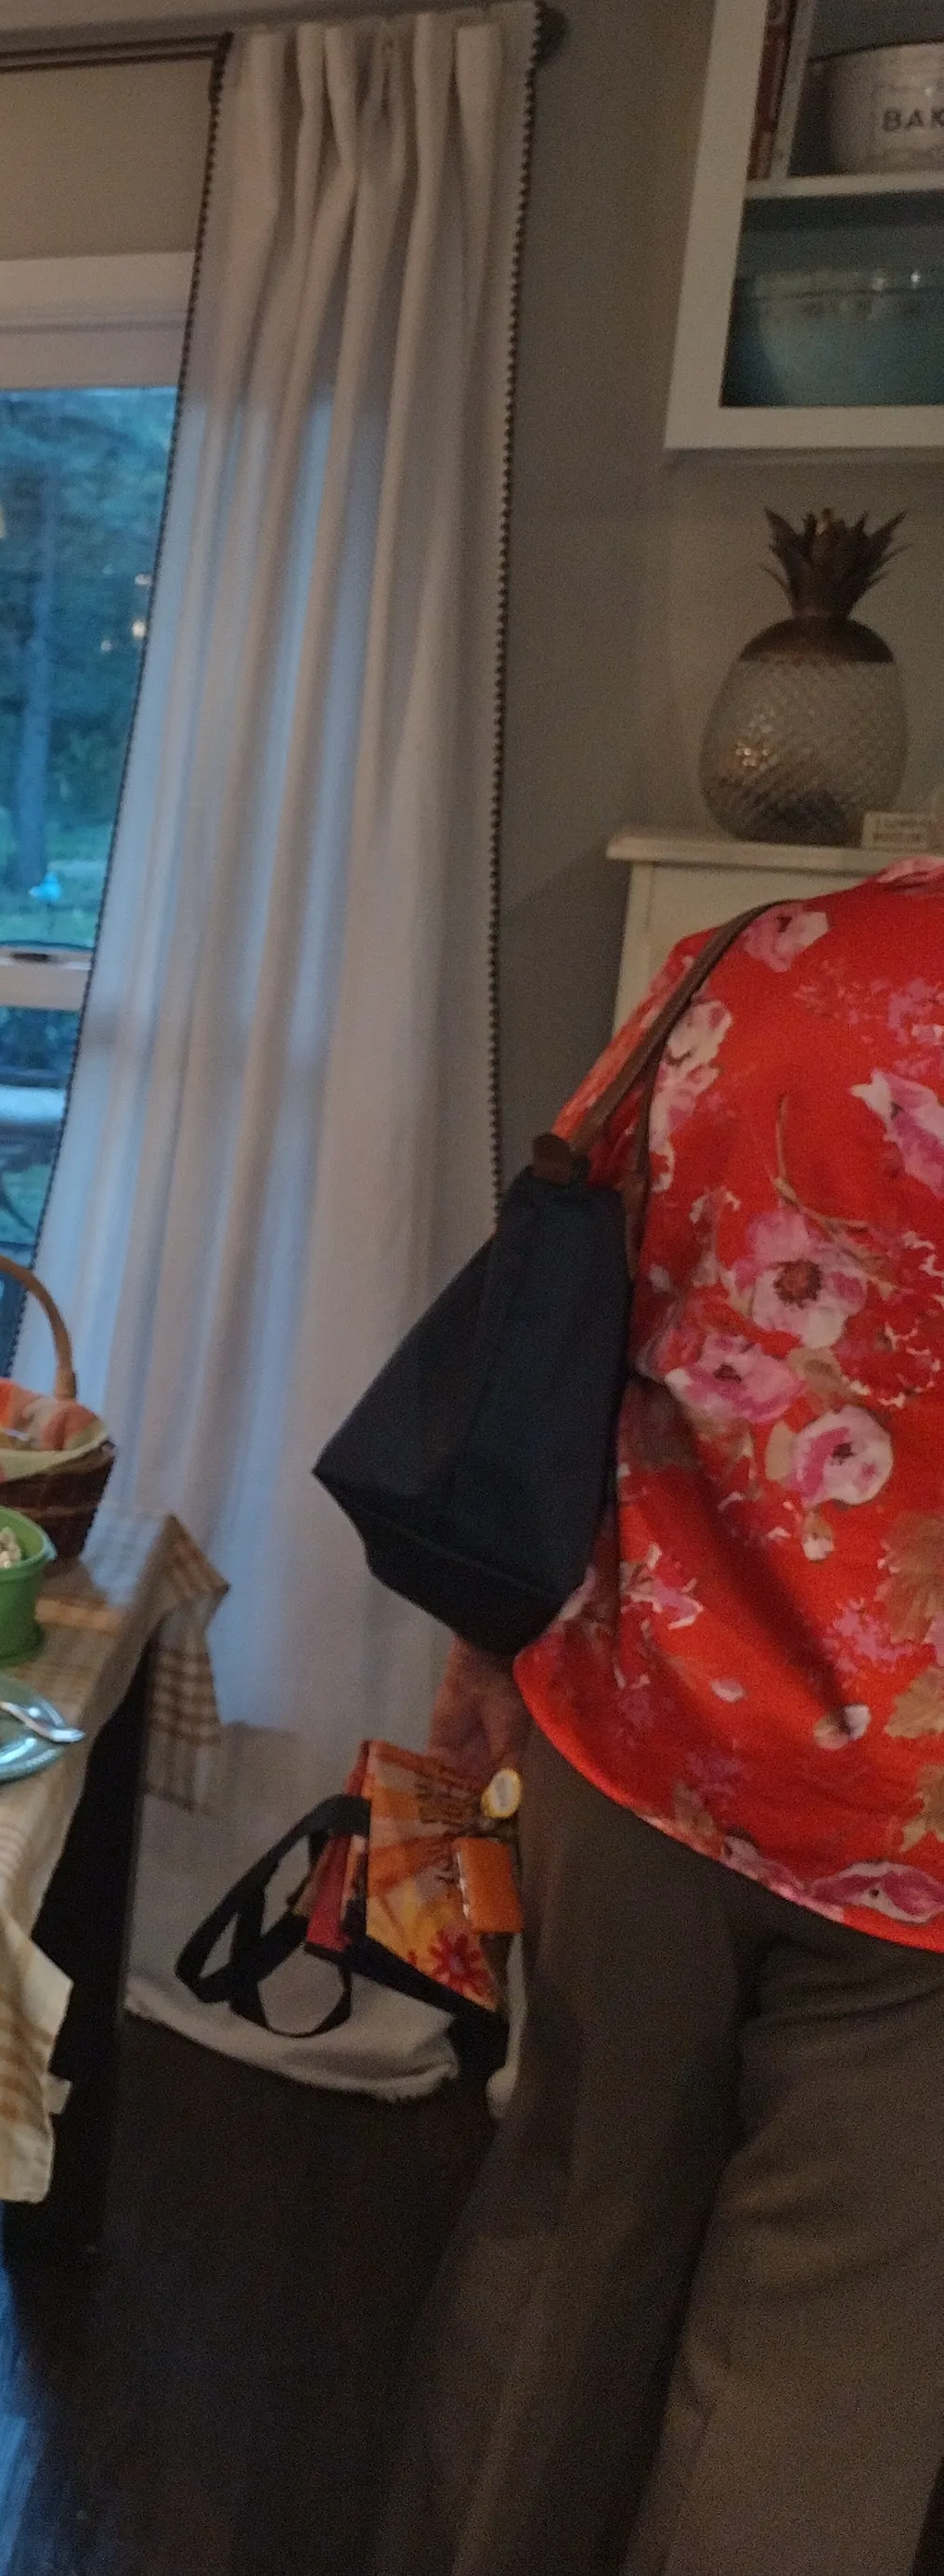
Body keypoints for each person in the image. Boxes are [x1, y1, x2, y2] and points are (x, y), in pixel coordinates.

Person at [376, 865, 944, 2576]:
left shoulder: (752, 965)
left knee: (565, 2241)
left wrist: (487, 1648)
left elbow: (578, 1314)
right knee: (816, 2367)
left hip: (638, 1737)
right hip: (921, 1871)